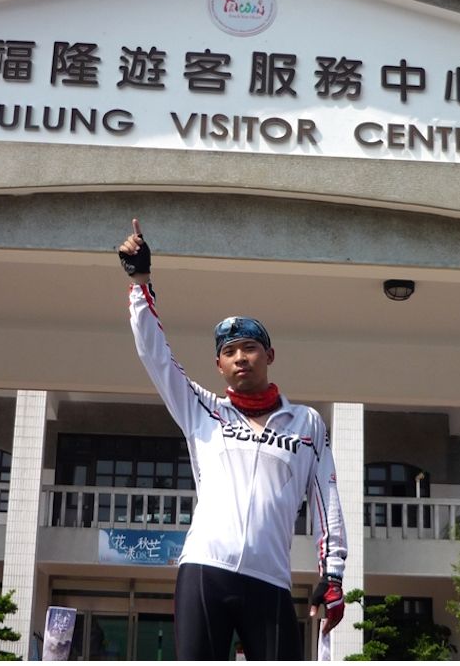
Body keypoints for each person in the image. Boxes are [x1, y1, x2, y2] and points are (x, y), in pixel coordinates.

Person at [118, 218, 347, 660]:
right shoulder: (203, 410)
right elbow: (155, 355)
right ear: (219, 365)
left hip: (271, 579)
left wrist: (332, 573)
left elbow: (327, 500)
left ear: (269, 355)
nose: (240, 357)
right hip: (206, 570)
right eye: (229, 352)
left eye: (249, 347)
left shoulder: (306, 423)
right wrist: (140, 281)